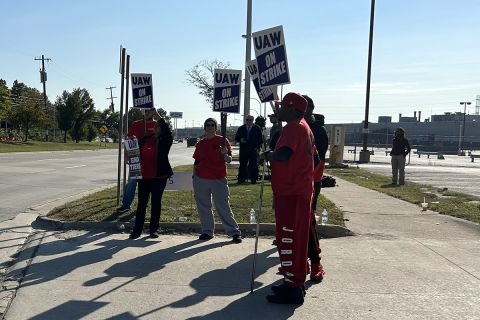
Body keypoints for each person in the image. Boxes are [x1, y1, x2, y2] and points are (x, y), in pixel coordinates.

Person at [263, 92, 316, 304]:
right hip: (296, 191)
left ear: (292, 109)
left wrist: (268, 155)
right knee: (295, 238)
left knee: (289, 238)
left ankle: (294, 287)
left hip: (293, 193)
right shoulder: (303, 125)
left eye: (282, 106)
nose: (278, 109)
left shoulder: (293, 127)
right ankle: (292, 281)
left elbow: (284, 155)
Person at [192, 118, 242, 244]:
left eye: (212, 125)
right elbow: (197, 161)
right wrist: (194, 176)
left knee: (223, 206)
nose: (210, 127)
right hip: (201, 178)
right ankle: (207, 231)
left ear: (216, 127)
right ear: (204, 127)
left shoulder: (223, 140)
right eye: (207, 125)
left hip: (218, 178)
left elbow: (229, 160)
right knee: (204, 207)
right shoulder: (200, 143)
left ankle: (234, 232)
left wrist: (225, 154)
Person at [129, 118, 173, 239]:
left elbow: (167, 129)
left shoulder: (165, 140)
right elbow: (134, 150)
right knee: (142, 204)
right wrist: (131, 147)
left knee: (156, 203)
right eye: (155, 126)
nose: (155, 127)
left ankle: (154, 230)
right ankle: (137, 230)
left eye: (158, 126)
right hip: (143, 177)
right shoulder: (145, 139)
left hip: (159, 177)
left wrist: (156, 114)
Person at [303, 95, 328, 282]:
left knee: (307, 222)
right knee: (295, 225)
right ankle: (299, 260)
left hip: (310, 182)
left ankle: (315, 262)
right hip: (290, 184)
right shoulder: (290, 127)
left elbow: (316, 158)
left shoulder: (317, 130)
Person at [117, 107, 159, 213]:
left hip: (150, 160)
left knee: (147, 183)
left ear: (154, 112)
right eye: (145, 111)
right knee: (131, 182)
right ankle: (126, 204)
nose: (147, 113)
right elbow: (128, 139)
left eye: (150, 111)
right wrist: (126, 155)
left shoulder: (157, 125)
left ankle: (143, 205)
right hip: (135, 159)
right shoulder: (136, 124)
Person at [235, 115, 263, 184]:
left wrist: (257, 148)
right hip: (244, 149)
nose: (248, 121)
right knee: (242, 165)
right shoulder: (241, 128)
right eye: (247, 120)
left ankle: (253, 180)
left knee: (253, 165)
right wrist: (240, 139)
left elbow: (260, 140)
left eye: (249, 120)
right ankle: (241, 180)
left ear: (252, 121)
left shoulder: (257, 128)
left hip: (253, 149)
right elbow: (236, 138)